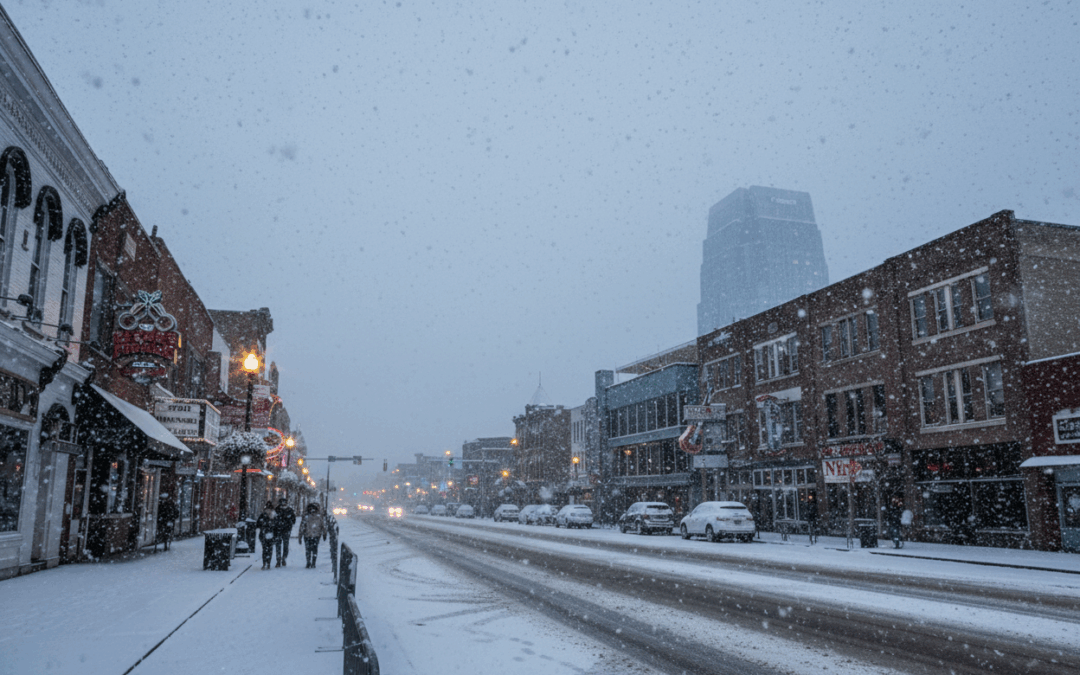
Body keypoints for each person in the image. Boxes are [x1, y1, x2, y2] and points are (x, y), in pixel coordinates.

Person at [298, 503, 326, 568]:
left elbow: (302, 527)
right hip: (315, 535)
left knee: (308, 549)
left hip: (308, 535)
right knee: (314, 549)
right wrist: (324, 533)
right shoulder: (318, 517)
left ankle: (309, 562)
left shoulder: (306, 517)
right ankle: (312, 562)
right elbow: (323, 526)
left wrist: (300, 536)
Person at [256, 501, 278, 570]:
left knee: (265, 550)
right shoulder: (274, 515)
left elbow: (258, 524)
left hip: (264, 534)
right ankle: (268, 563)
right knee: (269, 550)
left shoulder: (263, 515)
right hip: (270, 534)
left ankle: (264, 563)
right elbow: (277, 526)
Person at [275, 499, 297, 565]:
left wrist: (289, 523)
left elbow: (293, 520)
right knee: (279, 545)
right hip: (279, 530)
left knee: (284, 545)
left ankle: (283, 558)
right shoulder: (277, 510)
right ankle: (279, 559)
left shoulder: (289, 510)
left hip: (285, 530)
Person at [324, 508, 340, 577]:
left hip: (333, 538)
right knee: (334, 551)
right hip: (333, 538)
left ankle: (335, 571)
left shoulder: (332, 523)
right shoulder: (332, 523)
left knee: (334, 551)